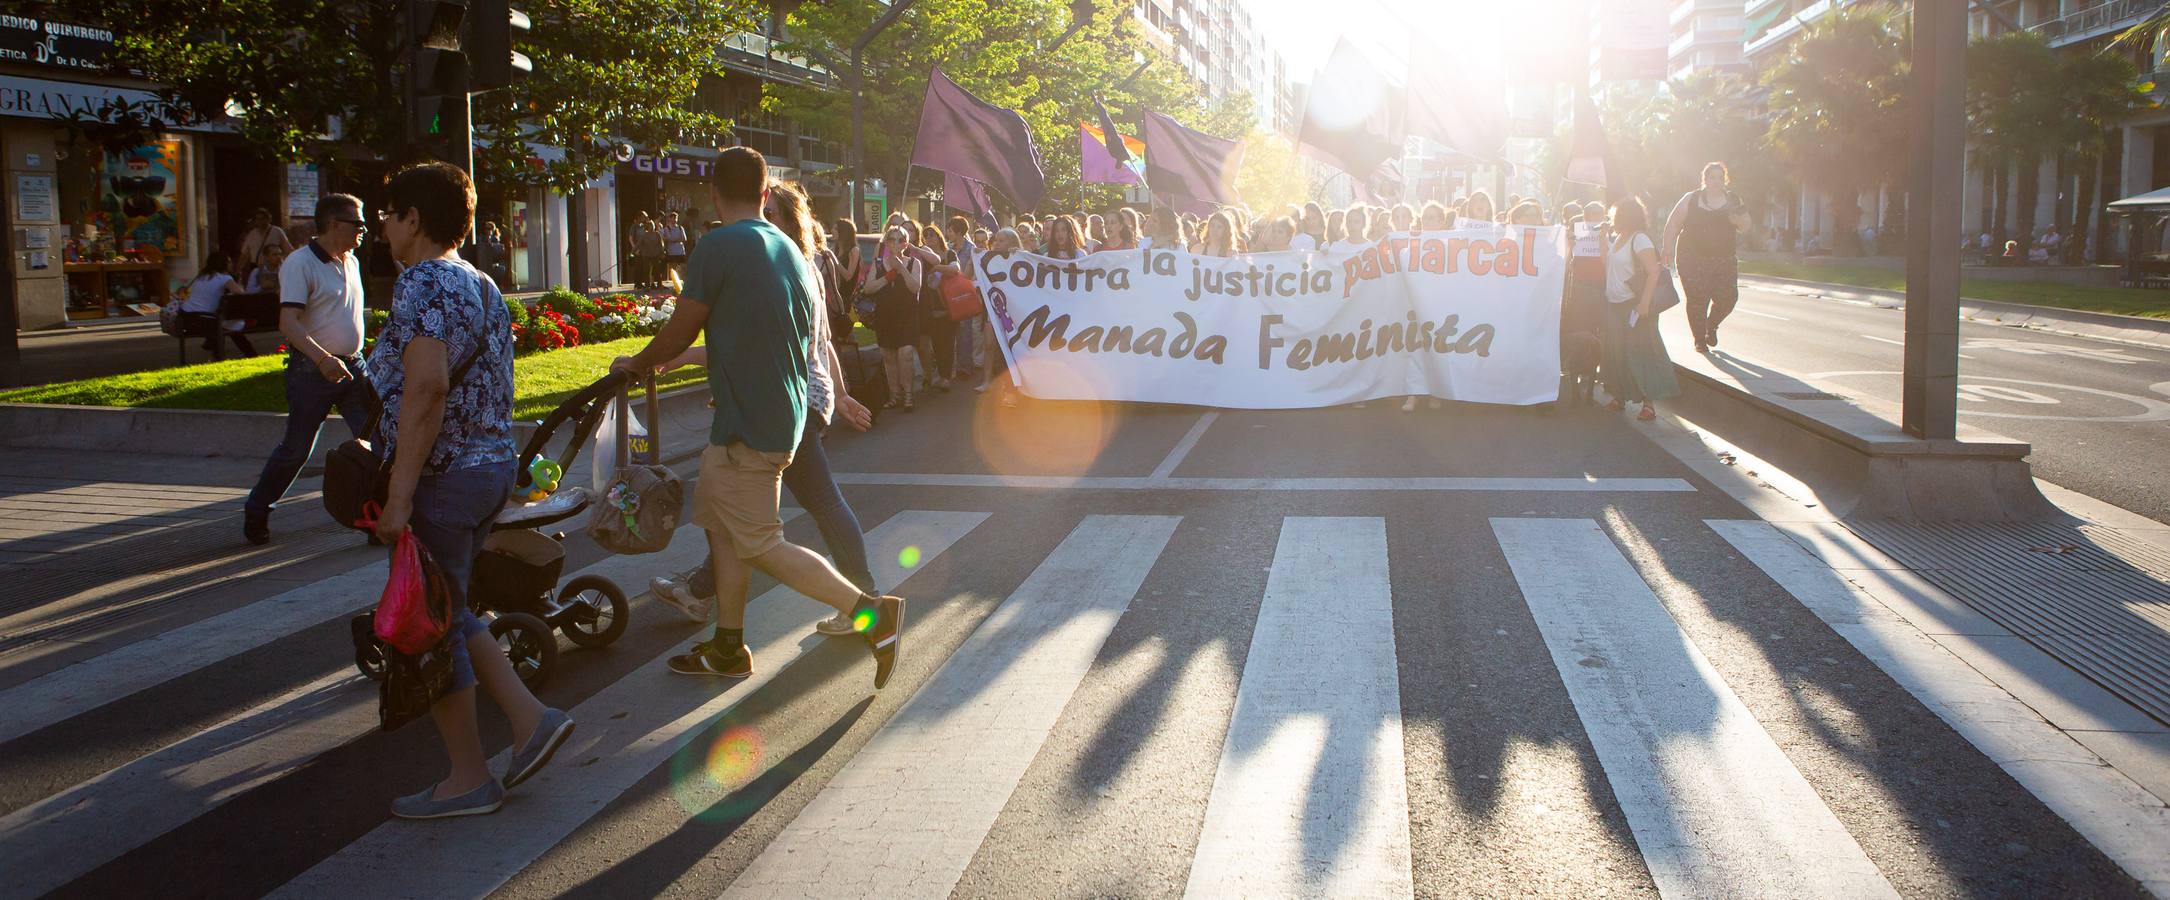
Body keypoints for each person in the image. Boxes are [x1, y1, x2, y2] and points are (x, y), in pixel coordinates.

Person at [612, 146, 906, 688]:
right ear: (766, 192)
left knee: (759, 542)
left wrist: (638, 364)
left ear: (714, 193)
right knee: (722, 529)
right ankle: (727, 644)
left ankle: (871, 611)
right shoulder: (790, 250)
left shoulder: (718, 245)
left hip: (751, 423)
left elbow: (682, 329)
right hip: (776, 415)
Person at [368, 161, 572, 820]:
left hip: (444, 477)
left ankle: (468, 777)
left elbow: (426, 387)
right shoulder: (480, 283)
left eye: (389, 211)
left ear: (414, 220)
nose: (382, 223)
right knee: (450, 609)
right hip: (487, 470)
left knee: (431, 628)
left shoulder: (421, 282)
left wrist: (399, 497)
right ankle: (529, 718)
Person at [650, 182, 879, 632]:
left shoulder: (778, 266)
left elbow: (762, 347)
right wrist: (842, 392)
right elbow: (822, 343)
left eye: (771, 212)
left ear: (791, 220)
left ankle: (866, 604)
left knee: (779, 513)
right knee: (741, 506)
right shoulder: (796, 263)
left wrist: (677, 355)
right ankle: (700, 592)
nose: (761, 218)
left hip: (783, 400)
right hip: (797, 397)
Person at [241, 194, 374, 545]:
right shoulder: (300, 263)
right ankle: (257, 510)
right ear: (333, 224)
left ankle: (375, 517)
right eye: (357, 224)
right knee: (296, 449)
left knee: (377, 444)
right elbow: (288, 322)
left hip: (354, 366)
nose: (363, 230)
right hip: (313, 370)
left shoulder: (352, 260)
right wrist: (323, 359)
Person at [1601, 198, 1678, 421]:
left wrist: (1644, 303)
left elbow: (1654, 271)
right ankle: (1620, 396)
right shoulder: (1617, 240)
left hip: (1634, 305)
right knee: (1617, 352)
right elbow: (1608, 266)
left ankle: (1648, 403)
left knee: (1642, 352)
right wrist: (1601, 240)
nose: (1612, 218)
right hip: (1614, 304)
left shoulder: (1639, 239)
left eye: (1615, 214)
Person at [1661, 162, 1751, 353]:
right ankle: (1699, 339)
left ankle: (1711, 325)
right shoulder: (1691, 199)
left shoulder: (1734, 200)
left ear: (1725, 180)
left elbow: (1746, 226)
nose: (1716, 181)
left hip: (1723, 259)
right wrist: (1666, 248)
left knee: (1728, 298)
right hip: (1691, 258)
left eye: (1720, 177)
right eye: (1712, 177)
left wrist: (1739, 221)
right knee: (1697, 299)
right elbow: (1674, 223)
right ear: (1705, 179)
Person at [864, 224, 924, 412]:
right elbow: (868, 288)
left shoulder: (914, 263)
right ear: (887, 243)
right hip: (885, 315)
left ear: (906, 244)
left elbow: (915, 287)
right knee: (888, 356)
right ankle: (894, 394)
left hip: (907, 315)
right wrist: (888, 277)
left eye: (899, 239)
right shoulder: (879, 263)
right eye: (891, 239)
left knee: (905, 353)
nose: (895, 243)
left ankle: (908, 394)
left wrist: (901, 269)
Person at [178, 248, 257, 358]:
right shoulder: (224, 278)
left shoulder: (202, 276)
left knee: (223, 322)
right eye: (229, 261)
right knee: (233, 324)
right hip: (204, 319)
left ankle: (215, 348)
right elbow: (241, 294)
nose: (231, 264)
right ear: (224, 264)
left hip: (187, 316)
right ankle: (249, 353)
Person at [915, 224, 959, 393]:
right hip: (927, 306)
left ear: (939, 236)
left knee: (945, 343)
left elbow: (956, 269)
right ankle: (930, 374)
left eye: (932, 235)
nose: (929, 238)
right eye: (926, 236)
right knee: (928, 344)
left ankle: (945, 376)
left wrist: (938, 267)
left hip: (948, 305)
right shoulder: (923, 256)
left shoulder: (949, 253)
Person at [236, 208, 292, 285]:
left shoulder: (277, 231)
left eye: (263, 219)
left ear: (268, 219)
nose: (260, 221)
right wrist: (238, 270)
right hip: (256, 267)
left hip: (272, 269)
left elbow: (288, 250)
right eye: (258, 219)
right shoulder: (252, 234)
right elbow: (245, 254)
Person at [660, 211, 691, 287]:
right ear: (669, 219)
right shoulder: (666, 229)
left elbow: (684, 238)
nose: (674, 220)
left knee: (682, 267)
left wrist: (675, 240)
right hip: (671, 251)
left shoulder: (680, 228)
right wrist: (669, 240)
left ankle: (684, 282)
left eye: (676, 218)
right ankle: (673, 283)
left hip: (680, 251)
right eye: (673, 218)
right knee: (672, 267)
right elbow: (661, 237)